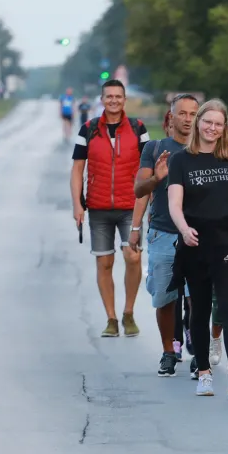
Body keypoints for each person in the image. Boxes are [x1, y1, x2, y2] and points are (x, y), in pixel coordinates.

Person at [168, 99, 228, 397]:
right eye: (208, 122)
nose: (212, 128)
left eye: (218, 124)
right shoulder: (181, 160)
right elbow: (175, 204)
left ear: (224, 128)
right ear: (198, 123)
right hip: (196, 241)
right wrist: (183, 229)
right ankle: (204, 372)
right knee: (200, 307)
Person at [71, 79, 150, 337]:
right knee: (104, 263)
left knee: (133, 256)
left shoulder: (138, 128)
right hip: (99, 207)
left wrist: (148, 199)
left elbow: (148, 169)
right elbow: (77, 169)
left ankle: (128, 312)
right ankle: (111, 319)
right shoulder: (89, 129)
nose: (113, 100)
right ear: (102, 100)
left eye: (118, 96)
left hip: (131, 207)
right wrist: (77, 205)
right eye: (109, 96)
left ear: (124, 100)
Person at [134, 95, 200, 376]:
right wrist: (157, 177)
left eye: (193, 114)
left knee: (197, 296)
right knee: (164, 297)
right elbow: (139, 189)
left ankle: (199, 349)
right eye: (181, 113)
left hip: (199, 235)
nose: (187, 119)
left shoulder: (207, 148)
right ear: (171, 117)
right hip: (163, 234)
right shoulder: (155, 148)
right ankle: (168, 352)